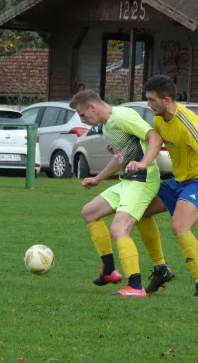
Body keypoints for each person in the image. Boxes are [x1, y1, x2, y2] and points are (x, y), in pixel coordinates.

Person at [70, 90, 168, 297]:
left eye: (82, 115)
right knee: (89, 212)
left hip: (142, 181)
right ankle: (108, 271)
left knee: (119, 228)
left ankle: (135, 286)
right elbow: (122, 156)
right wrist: (98, 178)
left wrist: (142, 164)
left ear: (93, 107)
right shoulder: (108, 125)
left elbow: (155, 138)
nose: (83, 120)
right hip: (128, 181)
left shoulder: (123, 117)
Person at [137, 75, 198, 300]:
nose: (149, 104)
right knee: (139, 211)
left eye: (152, 100)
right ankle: (160, 270)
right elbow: (151, 143)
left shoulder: (187, 121)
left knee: (179, 226)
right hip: (179, 181)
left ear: (167, 100)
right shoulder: (158, 119)